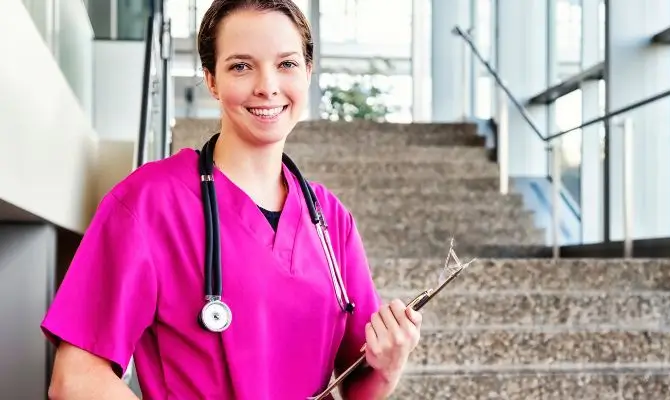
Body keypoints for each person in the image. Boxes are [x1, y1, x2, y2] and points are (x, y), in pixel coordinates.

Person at [41, 1, 423, 398]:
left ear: (308, 72)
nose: (267, 86)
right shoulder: (148, 202)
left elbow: (358, 381)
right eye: (241, 66)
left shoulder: (330, 221)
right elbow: (76, 377)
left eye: (287, 64)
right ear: (210, 79)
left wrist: (389, 365)